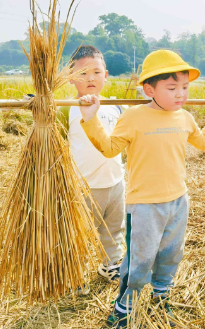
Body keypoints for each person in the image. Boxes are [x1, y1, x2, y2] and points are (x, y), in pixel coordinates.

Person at [78, 49, 205, 328]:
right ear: (149, 89)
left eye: (184, 87)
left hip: (178, 201)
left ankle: (161, 293)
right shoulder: (134, 117)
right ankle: (126, 303)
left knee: (171, 253)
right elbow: (109, 148)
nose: (181, 94)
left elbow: (203, 143)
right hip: (144, 204)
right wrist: (90, 118)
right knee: (140, 259)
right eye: (172, 88)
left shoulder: (184, 117)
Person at [57, 45, 125, 284]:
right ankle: (75, 272)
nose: (90, 78)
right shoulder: (66, 107)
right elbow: (57, 145)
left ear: (106, 75)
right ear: (70, 79)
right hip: (83, 185)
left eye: (96, 72)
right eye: (82, 74)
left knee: (113, 229)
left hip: (116, 181)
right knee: (81, 232)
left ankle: (111, 265)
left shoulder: (117, 105)